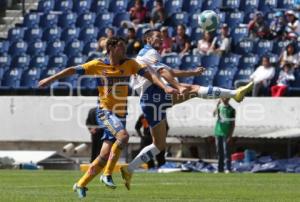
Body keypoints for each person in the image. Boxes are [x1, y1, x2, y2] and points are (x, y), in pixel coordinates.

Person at [38, 36, 177, 198]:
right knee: (123, 136)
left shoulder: (130, 64)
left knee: (104, 155)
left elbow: (151, 76)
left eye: (124, 46)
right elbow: (72, 70)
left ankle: (80, 184)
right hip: (105, 112)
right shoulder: (98, 64)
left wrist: (165, 88)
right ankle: (107, 174)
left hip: (120, 114)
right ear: (110, 48)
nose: (124, 49)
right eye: (120, 46)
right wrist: (50, 79)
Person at [117, 30, 254, 190]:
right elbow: (162, 72)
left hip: (148, 103)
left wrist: (192, 72)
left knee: (158, 145)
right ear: (147, 39)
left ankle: (129, 169)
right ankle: (234, 93)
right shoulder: (149, 52)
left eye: (163, 37)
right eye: (158, 37)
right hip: (153, 95)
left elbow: (170, 71)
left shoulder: (146, 55)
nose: (161, 39)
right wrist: (178, 86)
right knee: (194, 90)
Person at [213, 98, 235, 173]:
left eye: (225, 98)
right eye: (222, 97)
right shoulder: (219, 107)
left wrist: (230, 135)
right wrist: (217, 105)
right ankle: (220, 169)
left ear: (228, 99)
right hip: (218, 132)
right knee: (219, 151)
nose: (223, 99)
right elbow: (214, 114)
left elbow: (232, 124)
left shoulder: (232, 109)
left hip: (226, 133)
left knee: (226, 151)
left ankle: (228, 168)